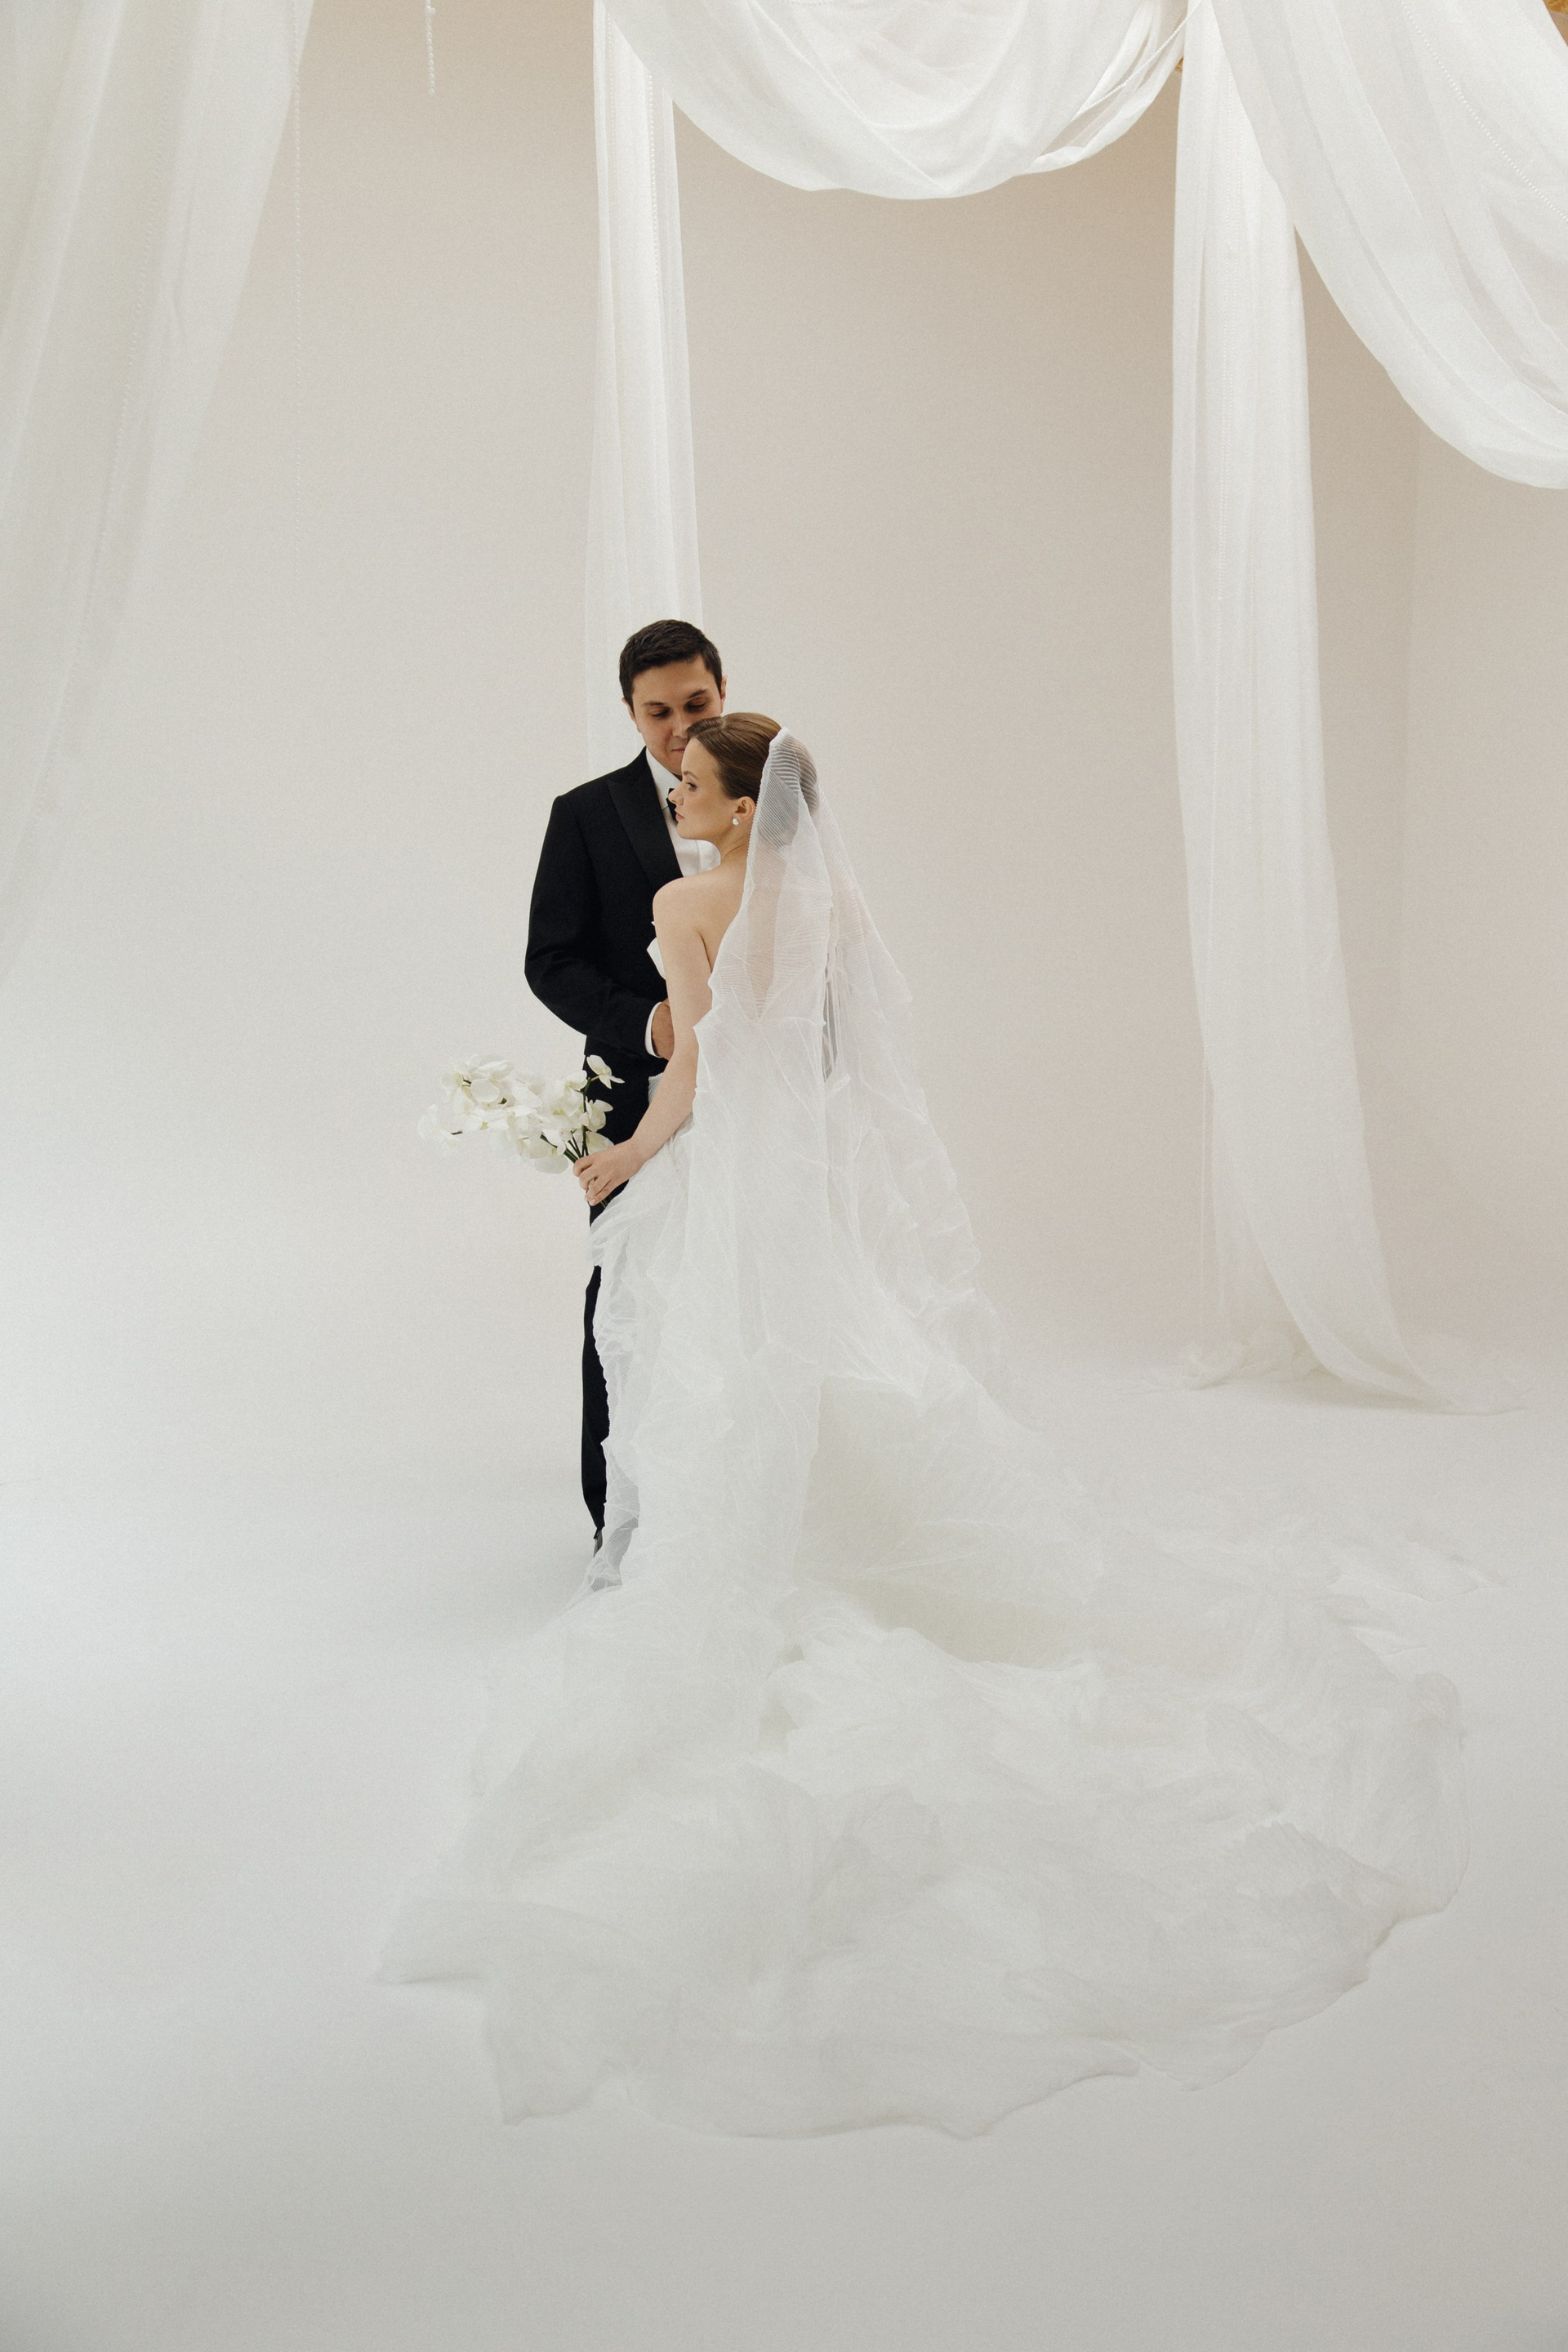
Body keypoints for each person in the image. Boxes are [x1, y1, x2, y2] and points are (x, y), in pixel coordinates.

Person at [387, 721, 1464, 2137]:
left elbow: (696, 1073)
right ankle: (858, 1529)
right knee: (841, 1349)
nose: (675, 795)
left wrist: (628, 1153)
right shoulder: (832, 895)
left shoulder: (683, 904)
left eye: (692, 784)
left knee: (725, 1360)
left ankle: (766, 1545)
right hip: (821, 1163)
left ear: (738, 804)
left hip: (743, 1167)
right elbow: (843, 1047)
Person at [524, 619, 727, 1544]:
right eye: (658, 712)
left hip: (754, 1103)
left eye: (696, 704)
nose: (680, 729)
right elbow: (550, 961)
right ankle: (619, 1515)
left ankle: (735, 1502)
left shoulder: (774, 799)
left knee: (744, 1291)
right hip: (635, 1098)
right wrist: (650, 1025)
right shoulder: (585, 813)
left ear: (721, 692)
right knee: (628, 1299)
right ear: (629, 711)